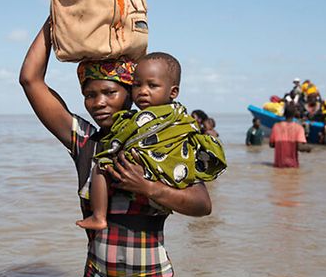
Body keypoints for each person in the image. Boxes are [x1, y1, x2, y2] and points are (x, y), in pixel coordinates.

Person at [20, 18, 213, 277]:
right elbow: (30, 80)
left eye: (109, 92)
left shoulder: (163, 142)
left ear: (131, 94)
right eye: (89, 95)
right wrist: (54, 23)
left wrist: (149, 187)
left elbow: (201, 204)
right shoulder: (86, 143)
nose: (98, 103)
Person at [76, 53, 226, 231]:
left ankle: (99, 216)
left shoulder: (175, 127)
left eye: (152, 85)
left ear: (173, 92)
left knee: (102, 165)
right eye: (137, 85)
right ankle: (99, 217)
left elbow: (203, 205)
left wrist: (148, 186)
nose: (143, 91)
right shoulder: (126, 125)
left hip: (153, 255)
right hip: (99, 258)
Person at [269, 103, 310, 168]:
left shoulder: (276, 126)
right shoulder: (299, 128)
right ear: (294, 114)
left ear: (284, 114)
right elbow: (300, 147)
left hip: (278, 166)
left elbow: (271, 145)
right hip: (293, 166)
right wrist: (309, 148)